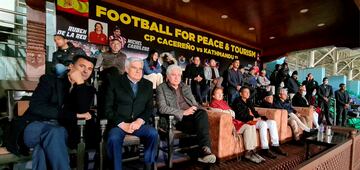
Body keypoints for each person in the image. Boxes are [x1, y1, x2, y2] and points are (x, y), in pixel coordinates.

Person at [20, 55, 95, 169]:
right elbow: (36, 106)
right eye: (82, 66)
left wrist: (80, 83)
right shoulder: (49, 80)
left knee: (44, 147)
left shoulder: (86, 89)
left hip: (60, 132)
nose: (85, 71)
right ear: (71, 66)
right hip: (35, 126)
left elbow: (83, 111)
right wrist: (71, 115)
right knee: (55, 133)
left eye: (90, 69)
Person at [104, 57, 158, 170]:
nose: (139, 71)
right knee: (113, 138)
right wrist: (122, 124)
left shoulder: (147, 84)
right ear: (127, 69)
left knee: (153, 134)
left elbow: (149, 108)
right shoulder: (114, 81)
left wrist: (140, 121)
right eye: (134, 68)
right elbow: (107, 108)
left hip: (138, 124)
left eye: (141, 68)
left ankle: (149, 165)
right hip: (119, 124)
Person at [156, 65, 216, 164]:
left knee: (203, 113)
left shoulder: (185, 87)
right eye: (173, 75)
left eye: (179, 75)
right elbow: (162, 108)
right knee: (202, 122)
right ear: (167, 76)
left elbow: (195, 104)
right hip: (176, 119)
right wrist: (183, 112)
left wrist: (200, 109)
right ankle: (203, 152)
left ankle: (205, 151)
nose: (176, 77)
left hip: (191, 117)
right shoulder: (161, 88)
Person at [209, 87, 262, 163]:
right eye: (218, 93)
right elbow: (221, 112)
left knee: (251, 125)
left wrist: (229, 112)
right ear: (213, 96)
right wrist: (229, 112)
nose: (220, 95)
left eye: (221, 93)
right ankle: (248, 153)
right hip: (229, 125)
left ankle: (253, 150)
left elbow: (233, 113)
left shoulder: (223, 102)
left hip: (234, 121)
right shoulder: (213, 103)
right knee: (248, 127)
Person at [232, 86, 287, 159]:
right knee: (263, 124)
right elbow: (240, 115)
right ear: (241, 94)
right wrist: (253, 118)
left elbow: (254, 111)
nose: (248, 93)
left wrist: (260, 117)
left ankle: (275, 145)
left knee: (272, 122)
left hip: (254, 119)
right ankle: (265, 148)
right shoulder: (237, 102)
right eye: (246, 92)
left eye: (249, 92)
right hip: (246, 121)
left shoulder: (249, 101)